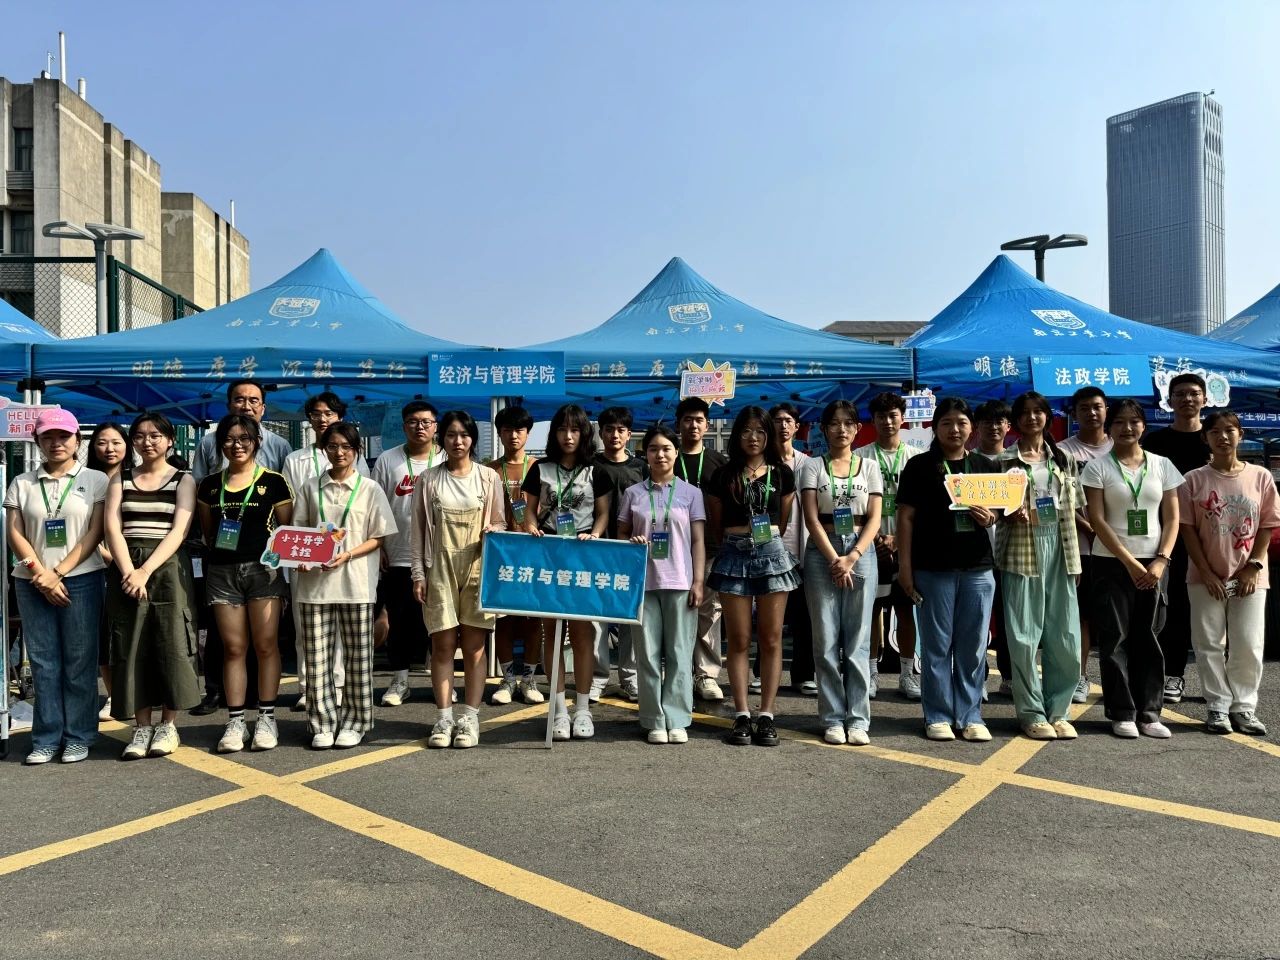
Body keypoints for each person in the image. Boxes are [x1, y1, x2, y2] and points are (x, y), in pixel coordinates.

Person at [7, 410, 108, 764]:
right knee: (44, 662)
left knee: (80, 661)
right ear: (37, 441)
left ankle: (79, 735)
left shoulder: (95, 479)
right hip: (31, 582)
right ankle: (47, 738)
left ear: (77, 440)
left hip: (82, 579)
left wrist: (59, 573)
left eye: (63, 436)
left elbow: (95, 531)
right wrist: (40, 573)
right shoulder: (22, 482)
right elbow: (15, 532)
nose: (56, 443)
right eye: (48, 437)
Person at [897, 398, 999, 742]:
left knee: (973, 647)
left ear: (971, 427)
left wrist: (990, 517)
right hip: (932, 568)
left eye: (961, 423)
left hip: (978, 568)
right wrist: (905, 568)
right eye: (946, 423)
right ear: (935, 428)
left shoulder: (984, 465)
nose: (955, 430)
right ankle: (938, 715)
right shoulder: (920, 466)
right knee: (936, 645)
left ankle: (970, 715)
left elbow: (998, 512)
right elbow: (906, 518)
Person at [191, 378, 292, 717]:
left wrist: (277, 562)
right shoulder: (208, 484)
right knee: (233, 647)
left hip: (264, 570)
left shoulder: (275, 479)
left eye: (244, 440)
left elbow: (285, 529)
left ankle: (266, 715)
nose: (237, 445)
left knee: (265, 645)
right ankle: (234, 717)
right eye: (230, 440)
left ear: (256, 441)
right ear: (220, 442)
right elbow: (208, 530)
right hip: (222, 570)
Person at [1081, 399, 1182, 738]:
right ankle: (1122, 711)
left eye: (1134, 421)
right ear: (1109, 427)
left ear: (1143, 425)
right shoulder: (1097, 467)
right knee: (1115, 638)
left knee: (1149, 636)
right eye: (1120, 422)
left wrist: (1161, 560)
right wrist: (1129, 561)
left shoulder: (1162, 465)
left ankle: (1150, 713)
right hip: (1111, 563)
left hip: (1155, 564)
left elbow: (1172, 518)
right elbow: (1097, 519)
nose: (1127, 428)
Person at [104, 412, 203, 759]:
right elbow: (112, 527)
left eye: (155, 435)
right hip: (126, 566)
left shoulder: (183, 480)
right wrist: (128, 570)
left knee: (171, 641)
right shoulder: (120, 478)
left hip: (167, 567)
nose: (147, 442)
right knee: (131, 644)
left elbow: (179, 530)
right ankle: (141, 726)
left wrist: (145, 570)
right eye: (140, 436)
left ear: (170, 440)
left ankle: (168, 725)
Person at [292, 422, 396, 749]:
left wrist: (347, 554)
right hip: (314, 585)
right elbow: (297, 532)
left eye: (346, 447)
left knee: (358, 659)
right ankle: (321, 723)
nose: (339, 452)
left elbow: (378, 537)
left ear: (356, 451)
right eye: (333, 446)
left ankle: (355, 721)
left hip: (356, 583)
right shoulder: (310, 487)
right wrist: (302, 557)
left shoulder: (370, 489)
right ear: (324, 449)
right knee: (316, 659)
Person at [1178, 410, 1279, 736]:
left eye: (1229, 430)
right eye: (1215, 432)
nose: (1223, 437)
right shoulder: (1193, 479)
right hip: (1205, 576)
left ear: (1240, 434)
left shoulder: (1260, 476)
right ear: (1205, 438)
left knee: (1248, 643)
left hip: (1250, 576)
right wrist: (1206, 572)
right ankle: (1218, 707)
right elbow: (1187, 530)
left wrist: (1253, 567)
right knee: (1208, 643)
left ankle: (1244, 707)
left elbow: (1267, 525)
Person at [704, 406, 800, 747]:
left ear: (768, 435)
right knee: (739, 639)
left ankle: (767, 715)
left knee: (771, 638)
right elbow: (717, 523)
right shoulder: (723, 474)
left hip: (771, 551)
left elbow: (782, 522)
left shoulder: (783, 473)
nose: (753, 437)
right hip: (733, 552)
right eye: (746, 430)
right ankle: (742, 713)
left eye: (760, 431)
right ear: (737, 435)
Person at [412, 411, 508, 748]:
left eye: (464, 435)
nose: (458, 441)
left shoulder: (488, 477)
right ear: (442, 439)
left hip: (478, 566)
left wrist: (493, 528)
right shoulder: (428, 479)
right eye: (451, 435)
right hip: (439, 566)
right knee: (442, 645)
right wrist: (418, 573)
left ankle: (469, 717)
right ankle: (443, 718)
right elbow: (418, 531)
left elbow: (501, 522)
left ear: (472, 439)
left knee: (474, 647)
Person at [520, 403, 611, 740]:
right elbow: (528, 510)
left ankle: (583, 709)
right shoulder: (540, 469)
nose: (568, 436)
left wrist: (596, 534)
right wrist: (531, 527)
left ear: (585, 433)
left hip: (583, 558)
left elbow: (603, 513)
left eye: (574, 430)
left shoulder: (596, 471)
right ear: (554, 433)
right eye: (562, 429)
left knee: (583, 634)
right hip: (548, 555)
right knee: (552, 633)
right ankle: (558, 711)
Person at [996, 391, 1083, 741]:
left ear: (1048, 416)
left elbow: (1074, 508)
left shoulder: (1064, 458)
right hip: (1021, 550)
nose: (1032, 418)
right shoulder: (1003, 461)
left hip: (1061, 548)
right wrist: (1008, 513)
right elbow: (993, 513)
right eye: (1025, 413)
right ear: (1016, 420)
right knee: (1023, 637)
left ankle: (1059, 710)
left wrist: (1078, 560)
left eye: (1038, 411)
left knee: (1066, 635)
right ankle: (1031, 713)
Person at [799, 401, 881, 745]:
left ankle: (858, 719)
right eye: (834, 423)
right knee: (826, 639)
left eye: (848, 423)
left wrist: (853, 556)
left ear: (857, 428)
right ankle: (832, 717)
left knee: (859, 639)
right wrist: (836, 558)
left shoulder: (869, 466)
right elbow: (811, 518)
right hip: (823, 552)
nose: (841, 429)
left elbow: (875, 517)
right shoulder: (812, 466)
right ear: (824, 429)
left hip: (861, 549)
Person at [281, 392, 369, 713]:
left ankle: (339, 683)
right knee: (306, 624)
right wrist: (297, 555)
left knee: (343, 625)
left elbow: (363, 501)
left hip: (346, 552)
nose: (322, 419)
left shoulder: (354, 456)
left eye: (329, 413)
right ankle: (309, 687)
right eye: (316, 414)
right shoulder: (295, 460)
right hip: (307, 553)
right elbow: (291, 510)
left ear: (340, 417)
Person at [618, 424, 706, 744]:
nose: (660, 454)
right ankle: (654, 718)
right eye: (654, 449)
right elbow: (621, 535)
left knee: (680, 652)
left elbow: (698, 540)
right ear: (645, 454)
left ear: (676, 453)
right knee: (648, 654)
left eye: (667, 448)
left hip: (681, 581)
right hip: (644, 583)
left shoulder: (691, 493)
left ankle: (677, 718)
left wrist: (699, 581)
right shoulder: (633, 493)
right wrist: (631, 541)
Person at [1142, 373, 1211, 705]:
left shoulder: (1214, 438)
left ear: (1205, 399)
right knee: (1175, 606)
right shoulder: (1155, 442)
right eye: (1180, 394)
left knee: (1213, 609)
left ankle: (1219, 683)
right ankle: (1174, 674)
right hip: (1168, 536)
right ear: (1169, 401)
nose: (1187, 399)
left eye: (1194, 393)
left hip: (1211, 536)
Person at [372, 400, 440, 707]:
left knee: (439, 623)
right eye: (413, 421)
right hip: (397, 554)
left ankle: (441, 681)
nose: (420, 427)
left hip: (439, 557)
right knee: (398, 621)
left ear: (435, 426)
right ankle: (400, 681)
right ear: (403, 426)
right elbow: (375, 506)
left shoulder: (446, 457)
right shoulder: (388, 460)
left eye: (426, 422)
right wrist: (378, 546)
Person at [856, 392, 924, 701]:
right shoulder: (860, 457)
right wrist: (874, 538)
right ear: (873, 420)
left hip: (907, 547)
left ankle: (907, 674)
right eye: (881, 416)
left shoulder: (916, 457)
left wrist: (899, 540)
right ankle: (871, 673)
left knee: (906, 610)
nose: (887, 421)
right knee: (871, 611)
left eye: (893, 415)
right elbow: (855, 505)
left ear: (903, 418)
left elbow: (924, 506)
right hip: (870, 547)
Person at [485, 405, 544, 705]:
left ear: (528, 433)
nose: (513, 435)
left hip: (534, 553)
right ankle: (508, 680)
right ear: (499, 433)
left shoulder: (540, 468)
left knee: (533, 619)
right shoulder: (489, 470)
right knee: (504, 619)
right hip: (501, 555)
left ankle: (529, 679)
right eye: (507, 430)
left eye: (519, 429)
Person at [1058, 386, 1112, 705]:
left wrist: (1106, 532)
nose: (1091, 413)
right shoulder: (1063, 451)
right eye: (1084, 408)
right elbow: (1059, 499)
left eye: (1097, 406)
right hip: (1078, 549)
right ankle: (1080, 677)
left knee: (1114, 618)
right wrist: (1090, 528)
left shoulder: (1121, 448)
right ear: (1074, 413)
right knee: (1080, 616)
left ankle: (1118, 679)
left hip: (1118, 550)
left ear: (1106, 410)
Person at [675, 397, 729, 702]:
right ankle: (680, 672)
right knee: (677, 611)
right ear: (678, 424)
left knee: (709, 612)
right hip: (672, 549)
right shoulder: (668, 456)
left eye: (699, 420)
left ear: (707, 425)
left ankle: (706, 674)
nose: (693, 425)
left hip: (710, 547)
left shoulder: (719, 463)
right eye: (687, 420)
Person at [592, 406, 645, 702]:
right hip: (597, 551)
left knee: (630, 617)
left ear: (629, 434)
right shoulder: (590, 466)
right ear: (600, 433)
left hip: (631, 552)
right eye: (609, 429)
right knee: (596, 618)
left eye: (621, 430)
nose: (615, 435)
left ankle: (630, 677)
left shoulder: (641, 468)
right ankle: (598, 677)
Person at [769, 403, 814, 696]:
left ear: (797, 427)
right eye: (777, 421)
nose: (783, 425)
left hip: (806, 549)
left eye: (788, 421)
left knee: (804, 617)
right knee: (770, 617)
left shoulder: (810, 464)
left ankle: (803, 674)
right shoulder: (764, 464)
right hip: (773, 550)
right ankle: (762, 673)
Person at [86, 421, 129, 721]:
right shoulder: (86, 480)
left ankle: (137, 693)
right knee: (103, 635)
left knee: (130, 633)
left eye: (116, 442)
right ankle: (114, 697)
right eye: (102, 442)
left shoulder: (136, 478)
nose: (109, 448)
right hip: (95, 565)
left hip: (133, 566)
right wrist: (109, 556)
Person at [972, 400, 1012, 698]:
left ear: (1009, 426)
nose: (993, 427)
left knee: (1010, 617)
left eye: (999, 421)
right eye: (987, 421)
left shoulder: (1016, 462)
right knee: (977, 619)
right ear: (977, 426)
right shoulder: (967, 462)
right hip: (975, 553)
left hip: (1012, 552)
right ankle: (979, 677)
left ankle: (1010, 676)